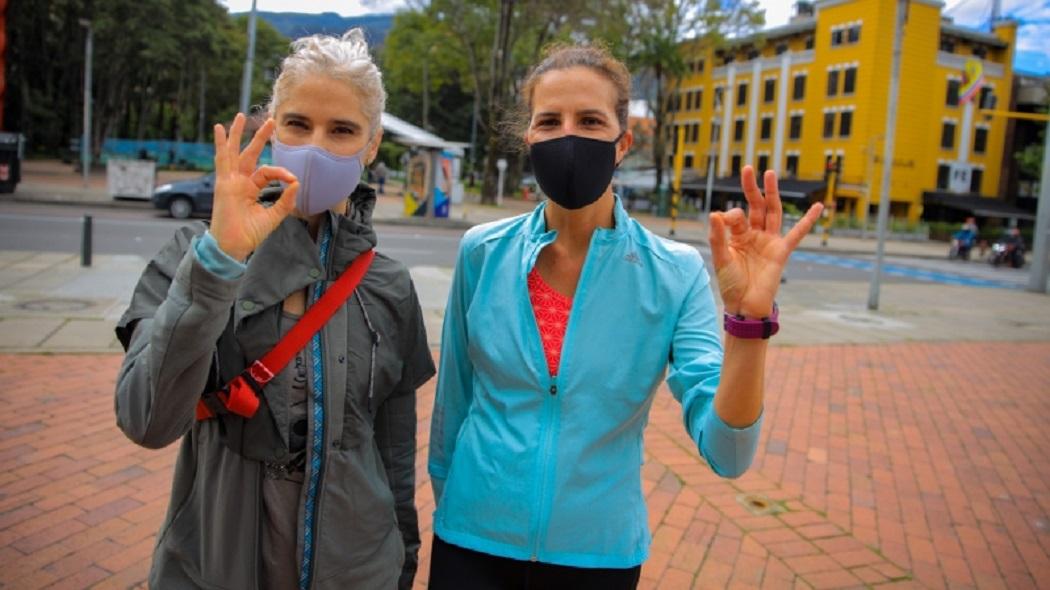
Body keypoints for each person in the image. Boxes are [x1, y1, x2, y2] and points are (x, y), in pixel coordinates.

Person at [427, 44, 823, 588]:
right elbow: (454, 402)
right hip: (471, 543)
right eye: (550, 121)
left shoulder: (674, 272)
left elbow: (728, 452)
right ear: (530, 138)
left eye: (590, 120)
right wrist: (449, 507)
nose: (569, 136)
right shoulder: (481, 251)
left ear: (622, 143)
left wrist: (748, 325)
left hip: (598, 557)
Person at [114, 29, 434, 590]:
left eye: (341, 130)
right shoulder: (194, 253)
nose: (316, 146)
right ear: (271, 128)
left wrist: (403, 559)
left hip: (358, 567)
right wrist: (217, 262)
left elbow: (393, 445)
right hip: (217, 562)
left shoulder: (389, 285)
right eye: (297, 124)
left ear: (372, 144)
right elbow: (146, 419)